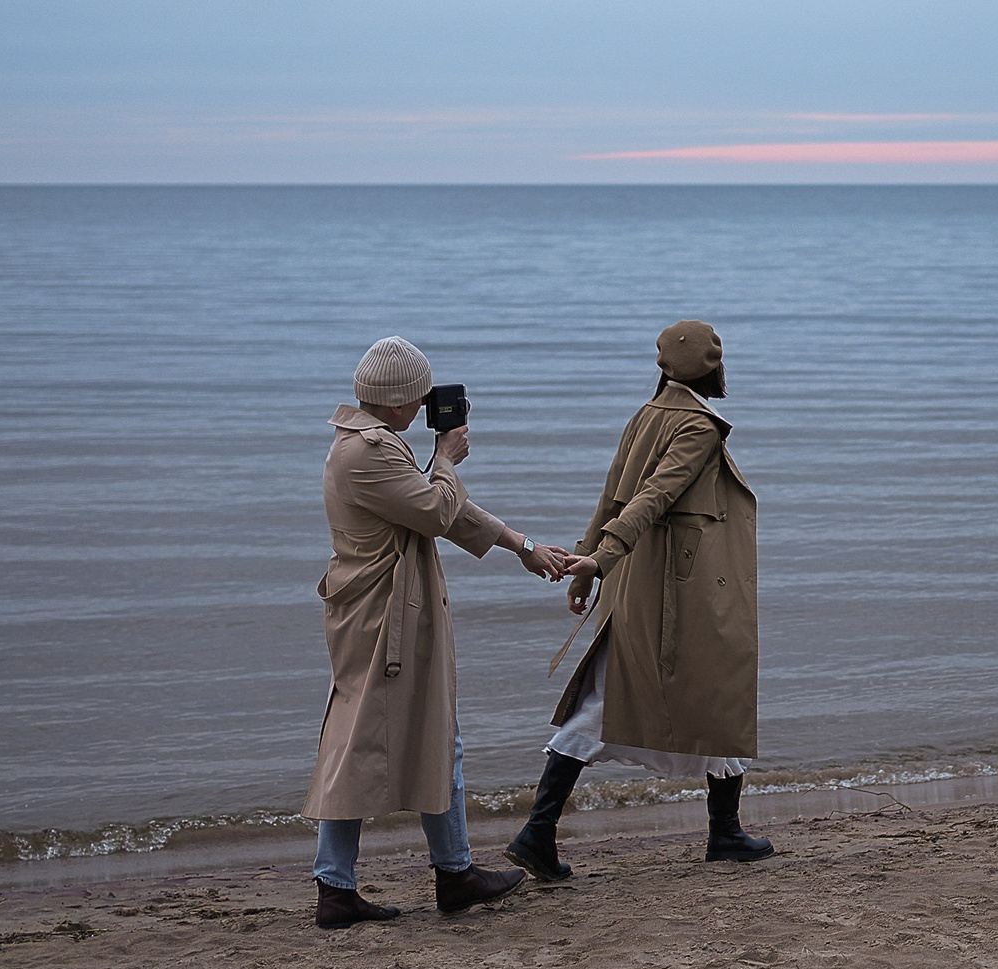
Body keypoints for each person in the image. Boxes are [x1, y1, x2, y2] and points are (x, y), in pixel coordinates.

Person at [304, 337, 571, 929]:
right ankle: (439, 874)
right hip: (384, 619)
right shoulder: (369, 452)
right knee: (390, 741)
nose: (429, 405)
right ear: (399, 401)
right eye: (421, 395)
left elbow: (439, 508)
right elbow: (437, 510)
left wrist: (522, 547)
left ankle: (368, 882)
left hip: (381, 613)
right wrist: (448, 455)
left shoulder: (373, 445)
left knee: (391, 739)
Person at [506, 319, 770, 881]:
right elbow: (650, 498)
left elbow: (611, 495)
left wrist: (588, 567)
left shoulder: (646, 415)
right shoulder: (697, 426)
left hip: (638, 580)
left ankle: (723, 830)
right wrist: (596, 563)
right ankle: (538, 832)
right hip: (676, 587)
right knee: (628, 699)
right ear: (715, 368)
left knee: (701, 691)